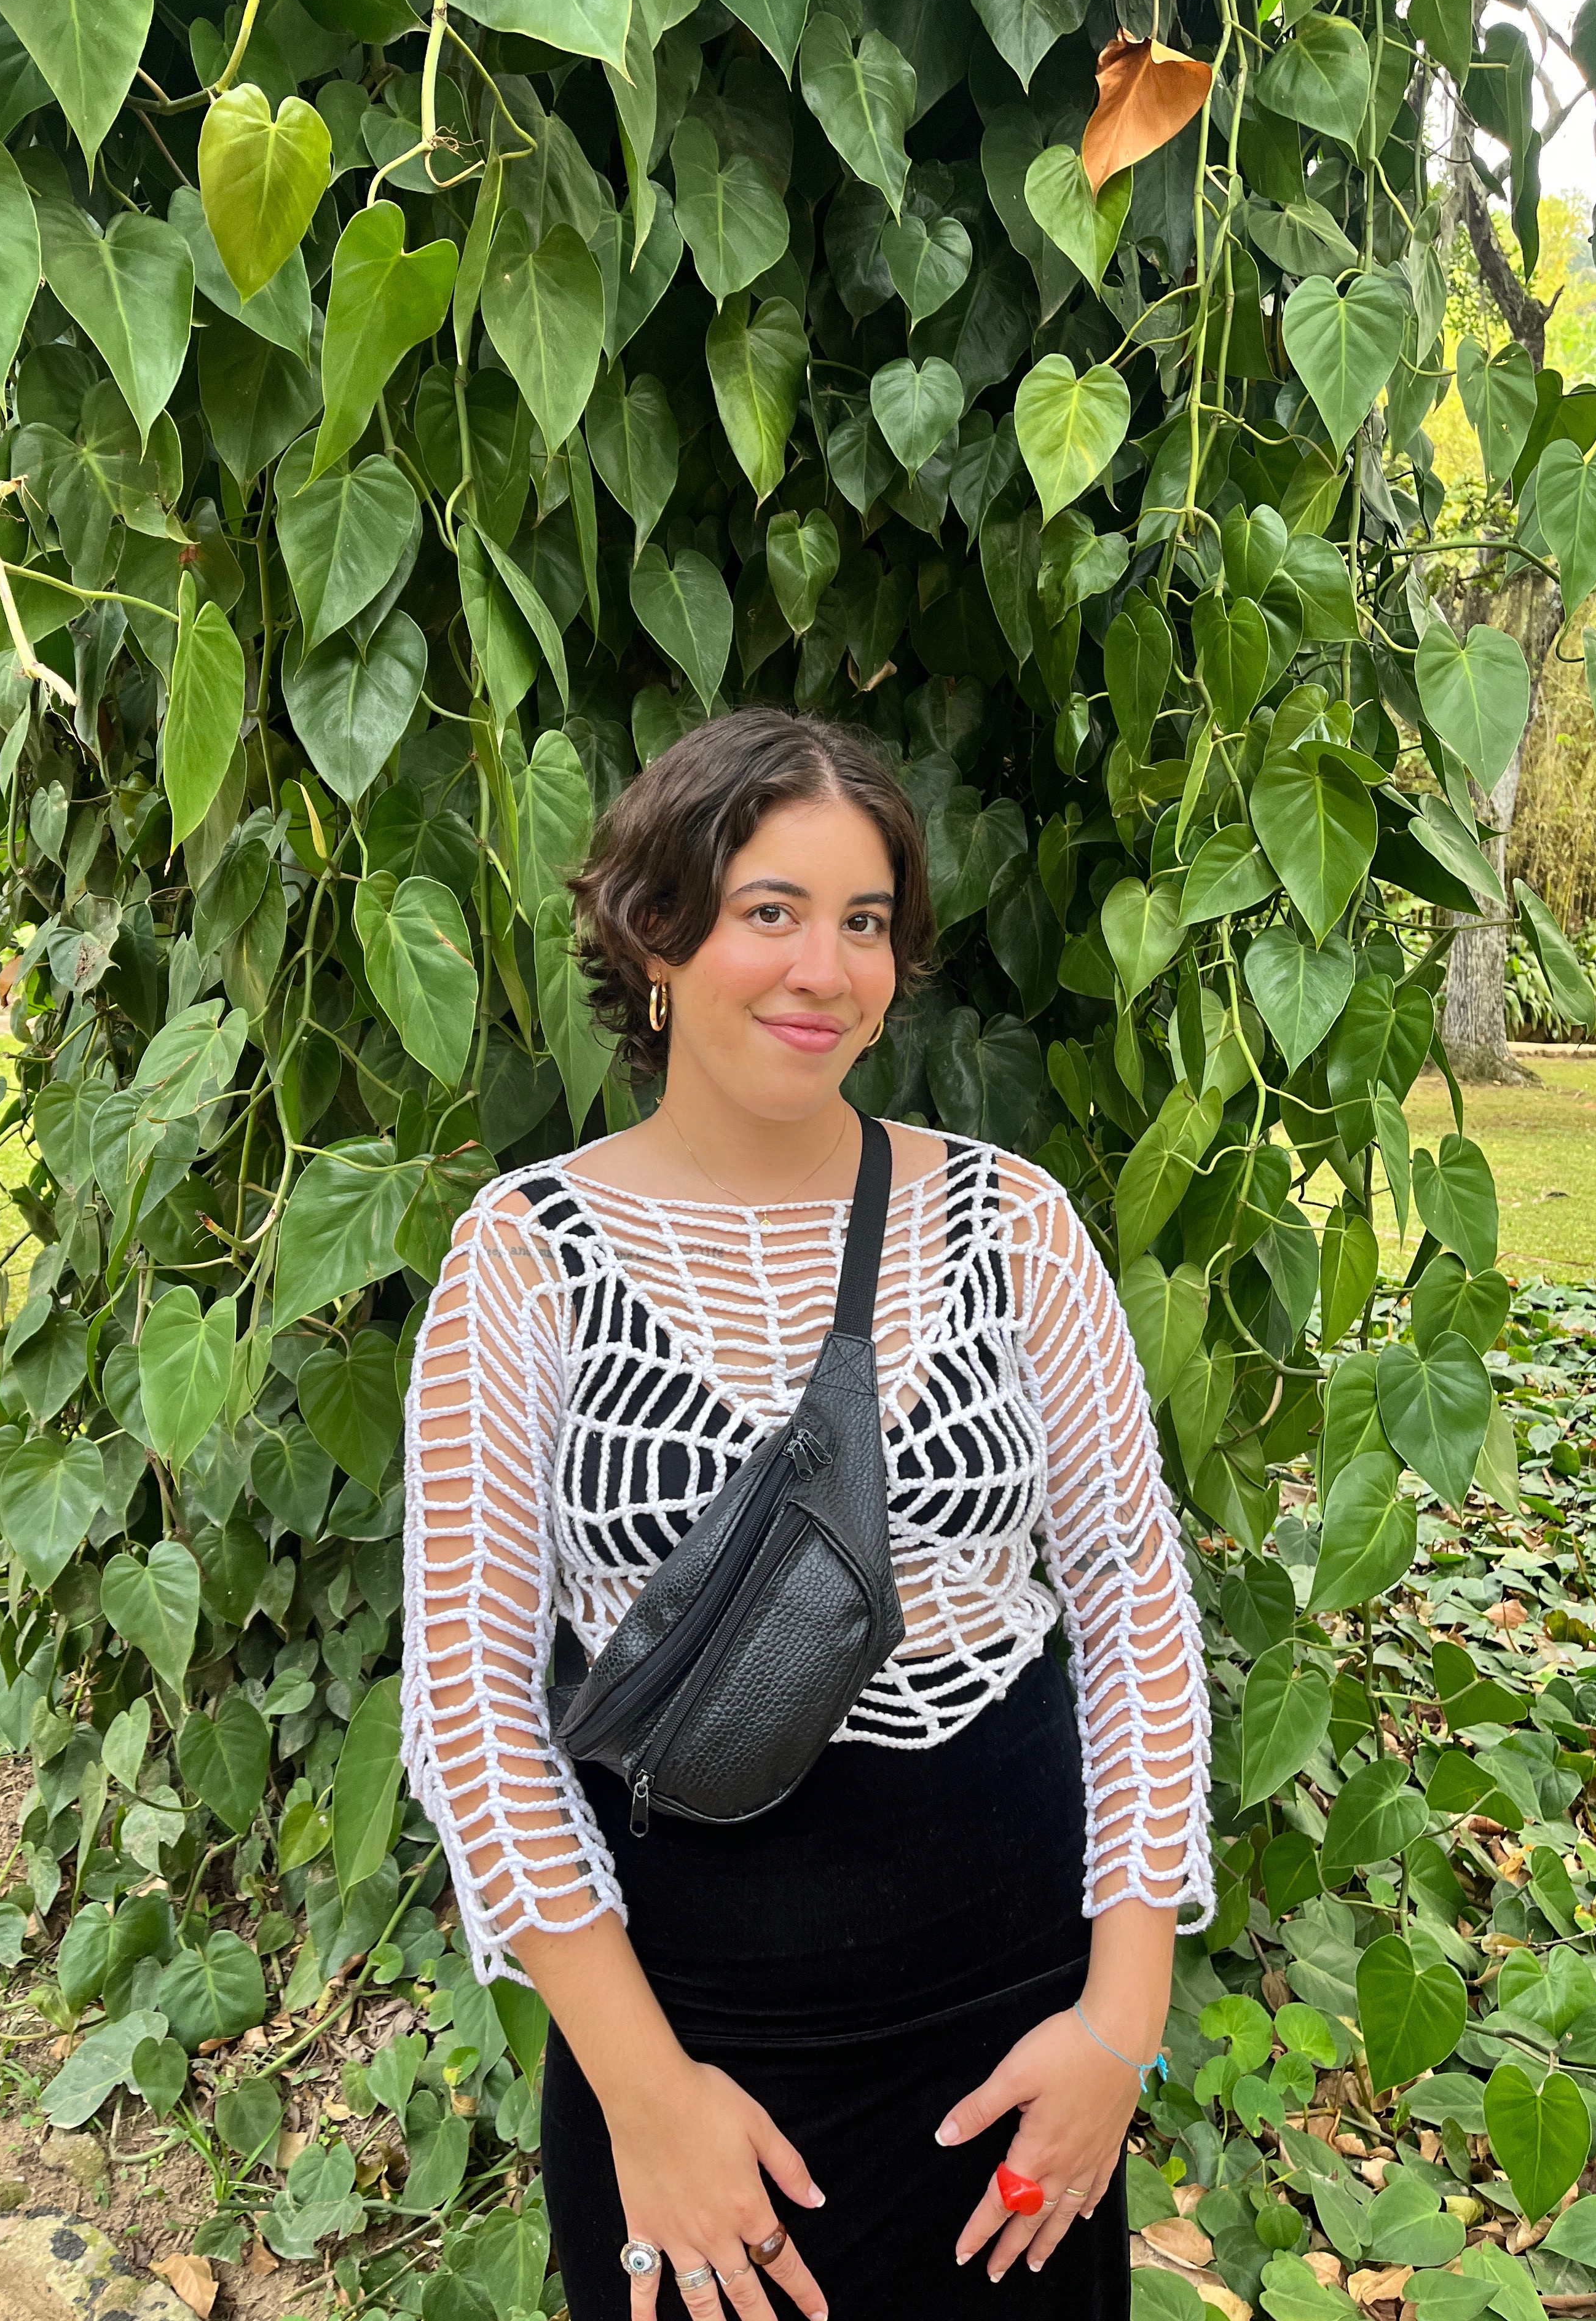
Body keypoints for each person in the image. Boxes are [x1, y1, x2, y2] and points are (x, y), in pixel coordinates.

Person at [401, 708, 1214, 2320]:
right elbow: (471, 1713)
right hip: (690, 2039)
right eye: (770, 910)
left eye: (865, 923)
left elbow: (1135, 1611)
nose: (825, 971)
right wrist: (647, 2099)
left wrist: (1118, 2029)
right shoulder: (523, 1261)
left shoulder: (1013, 1224)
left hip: (1015, 2030)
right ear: (656, 935)